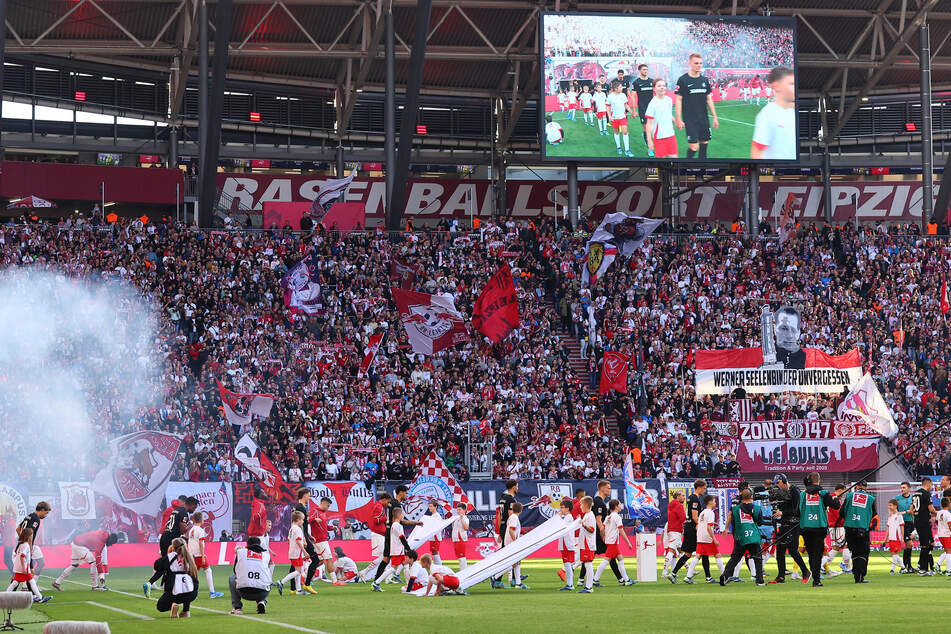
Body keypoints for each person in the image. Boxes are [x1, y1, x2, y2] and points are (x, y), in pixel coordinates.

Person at [145, 496, 197, 597]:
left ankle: (155, 584)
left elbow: (174, 527)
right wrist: (190, 525)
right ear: (190, 504)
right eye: (194, 507)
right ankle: (164, 586)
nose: (194, 509)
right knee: (173, 564)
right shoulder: (183, 513)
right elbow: (182, 530)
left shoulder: (176, 511)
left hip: (165, 538)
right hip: (171, 541)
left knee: (167, 564)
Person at [674, 53, 719, 159]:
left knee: (704, 146)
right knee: (694, 147)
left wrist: (715, 116)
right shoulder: (683, 80)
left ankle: (702, 172)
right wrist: (678, 118)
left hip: (703, 119)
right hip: (690, 120)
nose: (699, 65)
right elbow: (678, 100)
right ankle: (685, 167)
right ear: (690, 63)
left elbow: (709, 99)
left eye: (700, 63)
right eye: (696, 63)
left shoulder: (704, 80)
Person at [799, 472, 840, 587]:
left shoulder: (803, 494)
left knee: (811, 554)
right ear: (819, 480)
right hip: (819, 528)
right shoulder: (823, 493)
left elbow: (797, 510)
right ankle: (816, 579)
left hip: (806, 528)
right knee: (818, 554)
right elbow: (835, 506)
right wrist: (835, 499)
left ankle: (814, 575)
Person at [750, 66, 796, 160]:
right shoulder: (767, 114)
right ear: (776, 86)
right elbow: (756, 153)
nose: (795, 87)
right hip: (777, 172)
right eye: (791, 84)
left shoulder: (794, 111)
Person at [720, 489, 764, 586]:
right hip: (753, 536)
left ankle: (725, 575)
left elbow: (732, 521)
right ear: (751, 496)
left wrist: (731, 531)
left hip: (740, 537)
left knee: (735, 558)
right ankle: (760, 580)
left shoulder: (735, 509)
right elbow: (760, 522)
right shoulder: (756, 508)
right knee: (757, 558)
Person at [53, 530, 119, 591]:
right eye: (112, 543)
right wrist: (101, 575)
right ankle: (95, 586)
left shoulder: (103, 534)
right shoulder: (101, 541)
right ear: (110, 539)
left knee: (74, 565)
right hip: (80, 546)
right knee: (94, 562)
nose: (111, 545)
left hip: (75, 543)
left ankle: (57, 582)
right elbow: (98, 559)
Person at [668, 479, 706, 583]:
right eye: (704, 488)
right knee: (701, 552)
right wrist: (701, 526)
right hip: (693, 528)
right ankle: (689, 576)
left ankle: (674, 573)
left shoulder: (691, 498)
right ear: (699, 487)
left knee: (688, 553)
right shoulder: (694, 498)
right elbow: (694, 516)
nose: (704, 490)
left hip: (689, 528)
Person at [840, 480, 876, 583]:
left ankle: (856, 576)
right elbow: (874, 515)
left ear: (856, 487)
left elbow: (842, 513)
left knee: (855, 553)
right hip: (863, 529)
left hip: (850, 529)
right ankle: (861, 576)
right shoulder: (870, 498)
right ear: (866, 487)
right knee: (864, 553)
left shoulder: (849, 496)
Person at [593, 499, 635, 586]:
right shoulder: (617, 517)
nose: (621, 506)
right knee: (606, 560)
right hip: (613, 542)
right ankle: (595, 579)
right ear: (616, 507)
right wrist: (628, 542)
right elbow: (621, 531)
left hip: (609, 541)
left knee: (620, 559)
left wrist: (604, 537)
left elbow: (602, 528)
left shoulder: (608, 516)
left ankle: (626, 579)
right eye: (620, 504)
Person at [156, 537, 199, 618]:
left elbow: (157, 566)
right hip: (192, 593)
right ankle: (186, 611)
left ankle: (174, 604)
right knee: (187, 586)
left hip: (175, 593)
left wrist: (168, 554)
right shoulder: (191, 557)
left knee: (160, 606)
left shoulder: (170, 557)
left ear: (173, 547)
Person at [229, 537, 272, 615]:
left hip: (244, 592)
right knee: (266, 578)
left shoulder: (241, 552)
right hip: (262, 593)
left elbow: (235, 571)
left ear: (247, 544)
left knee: (232, 578)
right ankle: (261, 601)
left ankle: (237, 608)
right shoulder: (266, 556)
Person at [373, 507, 411, 592]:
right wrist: (408, 548)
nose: (403, 516)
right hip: (398, 551)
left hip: (398, 550)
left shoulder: (395, 525)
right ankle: (376, 582)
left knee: (406, 565)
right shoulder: (397, 525)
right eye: (402, 515)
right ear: (400, 515)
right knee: (393, 568)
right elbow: (402, 538)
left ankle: (409, 585)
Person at [7, 528, 50, 603]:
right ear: (28, 536)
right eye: (31, 534)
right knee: (31, 582)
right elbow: (22, 556)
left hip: (19, 567)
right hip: (24, 568)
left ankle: (6, 596)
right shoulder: (26, 545)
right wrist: (23, 569)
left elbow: (17, 554)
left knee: (15, 583)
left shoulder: (21, 544)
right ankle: (40, 598)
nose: (32, 536)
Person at [187, 511, 223, 598]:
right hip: (199, 555)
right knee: (208, 570)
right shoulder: (200, 530)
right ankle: (212, 592)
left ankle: (192, 593)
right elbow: (201, 543)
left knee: (194, 574)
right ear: (201, 519)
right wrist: (203, 556)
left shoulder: (191, 529)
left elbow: (189, 543)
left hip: (192, 555)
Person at [688, 494, 722, 584]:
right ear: (710, 502)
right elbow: (708, 527)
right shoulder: (711, 512)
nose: (715, 503)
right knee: (717, 555)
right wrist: (714, 539)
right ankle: (725, 575)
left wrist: (712, 523)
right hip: (707, 538)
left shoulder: (703, 512)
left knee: (698, 556)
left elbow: (701, 524)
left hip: (700, 536)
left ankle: (688, 576)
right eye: (714, 501)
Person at [309, 496, 342, 586]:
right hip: (320, 540)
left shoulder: (323, 513)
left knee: (319, 562)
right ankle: (334, 581)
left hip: (322, 540)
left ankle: (305, 577)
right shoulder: (315, 511)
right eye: (328, 506)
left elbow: (325, 527)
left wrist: (332, 527)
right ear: (323, 503)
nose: (328, 508)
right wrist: (314, 519)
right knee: (329, 559)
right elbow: (307, 519)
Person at [292, 488, 320, 595]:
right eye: (309, 495)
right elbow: (297, 523)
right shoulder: (300, 507)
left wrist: (308, 535)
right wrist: (304, 538)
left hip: (302, 535)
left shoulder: (298, 507)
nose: (309, 497)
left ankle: (293, 588)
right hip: (301, 537)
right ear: (304, 495)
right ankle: (307, 584)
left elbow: (302, 524)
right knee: (315, 559)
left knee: (295, 562)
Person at [492, 479, 518, 589]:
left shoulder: (502, 499)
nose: (517, 487)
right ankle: (497, 579)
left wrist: (499, 530)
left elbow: (499, 516)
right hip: (508, 528)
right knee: (509, 554)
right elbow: (511, 515)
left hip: (503, 527)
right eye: (517, 486)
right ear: (513, 487)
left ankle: (514, 579)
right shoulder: (511, 500)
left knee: (509, 554)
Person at [359, 492, 390, 582]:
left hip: (379, 534)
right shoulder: (378, 506)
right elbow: (375, 520)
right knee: (383, 557)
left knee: (385, 557)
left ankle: (387, 577)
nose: (388, 504)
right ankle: (364, 572)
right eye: (388, 502)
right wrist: (386, 519)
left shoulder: (378, 506)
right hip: (378, 534)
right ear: (384, 499)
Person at [645, 78, 678, 159]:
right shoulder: (652, 104)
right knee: (661, 163)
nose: (662, 87)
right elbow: (648, 124)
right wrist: (649, 141)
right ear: (654, 89)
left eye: (664, 85)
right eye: (659, 86)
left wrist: (677, 121)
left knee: (675, 160)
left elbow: (669, 114)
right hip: (659, 137)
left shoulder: (669, 100)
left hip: (671, 135)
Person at [16, 501, 50, 578]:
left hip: (24, 544)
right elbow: (30, 534)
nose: (46, 515)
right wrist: (30, 549)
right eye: (46, 513)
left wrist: (22, 540)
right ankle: (28, 586)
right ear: (42, 510)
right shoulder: (36, 519)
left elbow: (18, 529)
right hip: (28, 545)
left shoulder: (29, 516)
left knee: (39, 564)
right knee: (28, 569)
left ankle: (30, 585)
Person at [822, 484, 849, 577]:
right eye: (845, 491)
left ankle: (825, 566)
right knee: (844, 546)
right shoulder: (834, 498)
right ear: (840, 490)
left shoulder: (832, 497)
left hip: (834, 525)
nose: (845, 493)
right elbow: (838, 513)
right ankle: (847, 567)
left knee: (836, 547)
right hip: (837, 526)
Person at [912, 477, 938, 574]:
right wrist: (938, 513)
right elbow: (931, 509)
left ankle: (926, 566)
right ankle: (922, 568)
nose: (931, 487)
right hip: (923, 522)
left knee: (930, 543)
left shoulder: (915, 494)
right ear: (928, 484)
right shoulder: (926, 494)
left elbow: (912, 509)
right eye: (931, 485)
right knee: (925, 545)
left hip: (918, 521)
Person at [280, 510, 308, 595]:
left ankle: (298, 590)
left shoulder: (292, 528)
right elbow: (298, 541)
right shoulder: (297, 529)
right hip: (297, 553)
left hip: (292, 552)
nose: (303, 521)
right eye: (302, 520)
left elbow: (289, 541)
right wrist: (305, 551)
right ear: (298, 519)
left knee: (297, 571)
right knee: (298, 571)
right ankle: (281, 582)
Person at [606, 81, 635, 157]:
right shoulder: (610, 96)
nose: (622, 88)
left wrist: (632, 112)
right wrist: (609, 116)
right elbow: (608, 106)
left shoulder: (623, 95)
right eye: (620, 87)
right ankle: (619, 147)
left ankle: (627, 150)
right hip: (614, 117)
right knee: (616, 132)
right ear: (616, 89)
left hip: (623, 117)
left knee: (625, 132)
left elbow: (626, 105)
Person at [505, 502, 529, 589]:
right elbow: (511, 530)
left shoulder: (512, 517)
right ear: (521, 510)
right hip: (512, 543)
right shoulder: (514, 517)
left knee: (516, 562)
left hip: (510, 542)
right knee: (515, 562)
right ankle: (496, 576)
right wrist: (515, 541)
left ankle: (518, 582)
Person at [662, 491, 685, 578]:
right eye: (682, 495)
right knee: (671, 551)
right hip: (676, 530)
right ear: (678, 496)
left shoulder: (671, 504)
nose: (684, 497)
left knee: (681, 551)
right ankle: (664, 572)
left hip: (672, 529)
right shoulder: (679, 505)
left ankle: (689, 569)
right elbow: (683, 519)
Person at [556, 499, 577, 591]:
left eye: (562, 508)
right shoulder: (567, 517)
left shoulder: (568, 517)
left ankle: (570, 584)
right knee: (567, 563)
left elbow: (561, 526)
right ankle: (569, 584)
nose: (561, 510)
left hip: (566, 543)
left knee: (567, 564)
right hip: (565, 542)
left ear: (567, 508)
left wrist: (558, 516)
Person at [631, 63, 654, 147]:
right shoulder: (636, 82)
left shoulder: (652, 81)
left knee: (651, 128)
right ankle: (649, 147)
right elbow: (633, 97)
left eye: (647, 69)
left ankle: (645, 135)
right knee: (646, 128)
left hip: (652, 108)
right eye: (644, 69)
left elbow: (657, 93)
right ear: (640, 71)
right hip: (642, 108)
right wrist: (634, 110)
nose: (646, 71)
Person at [577, 496, 596, 594]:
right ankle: (588, 586)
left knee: (588, 564)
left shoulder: (590, 516)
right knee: (586, 564)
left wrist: (583, 525)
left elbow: (592, 529)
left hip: (588, 544)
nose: (580, 506)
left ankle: (589, 587)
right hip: (585, 543)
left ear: (585, 505)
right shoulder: (587, 515)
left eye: (581, 504)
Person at [896, 481, 915, 573]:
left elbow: (913, 511)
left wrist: (905, 512)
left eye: (904, 487)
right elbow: (893, 509)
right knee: (909, 544)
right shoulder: (897, 498)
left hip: (910, 523)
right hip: (901, 524)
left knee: (909, 545)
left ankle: (907, 567)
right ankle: (906, 567)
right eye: (901, 487)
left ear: (909, 489)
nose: (902, 489)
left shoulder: (913, 498)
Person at [886, 499, 905, 573]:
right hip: (891, 537)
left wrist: (902, 537)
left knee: (894, 553)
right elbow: (888, 526)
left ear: (895, 506)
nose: (889, 507)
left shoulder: (899, 515)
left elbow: (902, 527)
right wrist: (886, 536)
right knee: (893, 553)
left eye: (890, 505)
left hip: (897, 537)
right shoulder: (890, 516)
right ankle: (903, 567)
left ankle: (892, 569)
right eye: (889, 505)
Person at [935, 497, 951, 575]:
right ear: (949, 505)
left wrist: (941, 527)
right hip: (947, 535)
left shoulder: (939, 513)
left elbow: (936, 521)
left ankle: (938, 564)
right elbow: (950, 525)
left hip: (940, 535)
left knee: (948, 551)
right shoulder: (948, 514)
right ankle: (949, 570)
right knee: (949, 552)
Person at [451, 502, 470, 570]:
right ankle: (462, 570)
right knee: (459, 556)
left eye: (460, 509)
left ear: (464, 510)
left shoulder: (465, 518)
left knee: (462, 556)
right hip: (456, 539)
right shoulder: (456, 518)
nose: (458, 511)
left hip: (461, 539)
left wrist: (462, 519)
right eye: (457, 509)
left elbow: (466, 528)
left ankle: (464, 571)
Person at [424, 501, 444, 566]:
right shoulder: (433, 515)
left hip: (435, 536)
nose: (429, 508)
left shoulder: (437, 516)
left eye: (431, 506)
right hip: (433, 536)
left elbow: (437, 527)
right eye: (429, 506)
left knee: (435, 552)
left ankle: (439, 566)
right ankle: (437, 566)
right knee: (434, 552)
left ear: (436, 507)